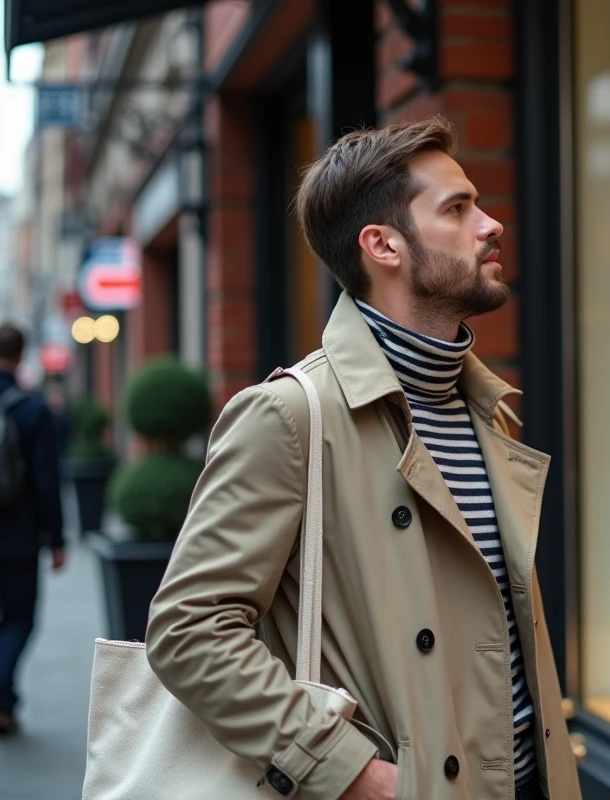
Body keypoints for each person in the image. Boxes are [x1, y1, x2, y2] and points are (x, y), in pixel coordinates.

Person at [146, 118, 582, 800]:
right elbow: (188, 630)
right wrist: (347, 769)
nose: (491, 225)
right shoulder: (292, 416)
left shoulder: (485, 408)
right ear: (383, 245)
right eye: (458, 209)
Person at [0, 323, 65, 734]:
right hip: (18, 537)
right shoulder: (32, 409)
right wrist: (56, 540)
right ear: (21, 355)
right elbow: (46, 480)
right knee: (19, 619)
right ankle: (2, 701)